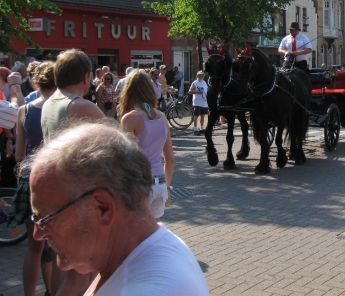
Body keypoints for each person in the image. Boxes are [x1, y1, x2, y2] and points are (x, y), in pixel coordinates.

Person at [25, 122, 209, 295]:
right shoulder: (145, 249)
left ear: (102, 208)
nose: (37, 233)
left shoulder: (146, 289)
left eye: (46, 218)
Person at [40, 49, 105, 296]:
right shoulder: (79, 106)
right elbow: (120, 143)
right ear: (86, 77)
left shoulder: (49, 103)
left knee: (63, 261)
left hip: (54, 194)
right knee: (82, 275)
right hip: (78, 196)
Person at [12, 62, 56, 296]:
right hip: (55, 184)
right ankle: (55, 291)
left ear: (35, 81)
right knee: (58, 249)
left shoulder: (24, 110)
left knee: (34, 248)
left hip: (30, 181)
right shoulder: (62, 109)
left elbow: (20, 155)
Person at [119, 70, 174, 220]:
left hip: (140, 184)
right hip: (160, 184)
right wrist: (167, 187)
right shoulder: (161, 117)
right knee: (152, 234)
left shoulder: (130, 119)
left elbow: (127, 159)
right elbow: (169, 159)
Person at [189, 70, 209, 134]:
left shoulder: (204, 82)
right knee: (196, 115)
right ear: (197, 76)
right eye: (200, 75)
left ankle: (202, 128)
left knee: (202, 115)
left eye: (202, 75)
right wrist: (197, 92)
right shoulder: (195, 83)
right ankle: (195, 129)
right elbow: (190, 91)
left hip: (204, 102)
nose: (201, 76)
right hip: (197, 102)